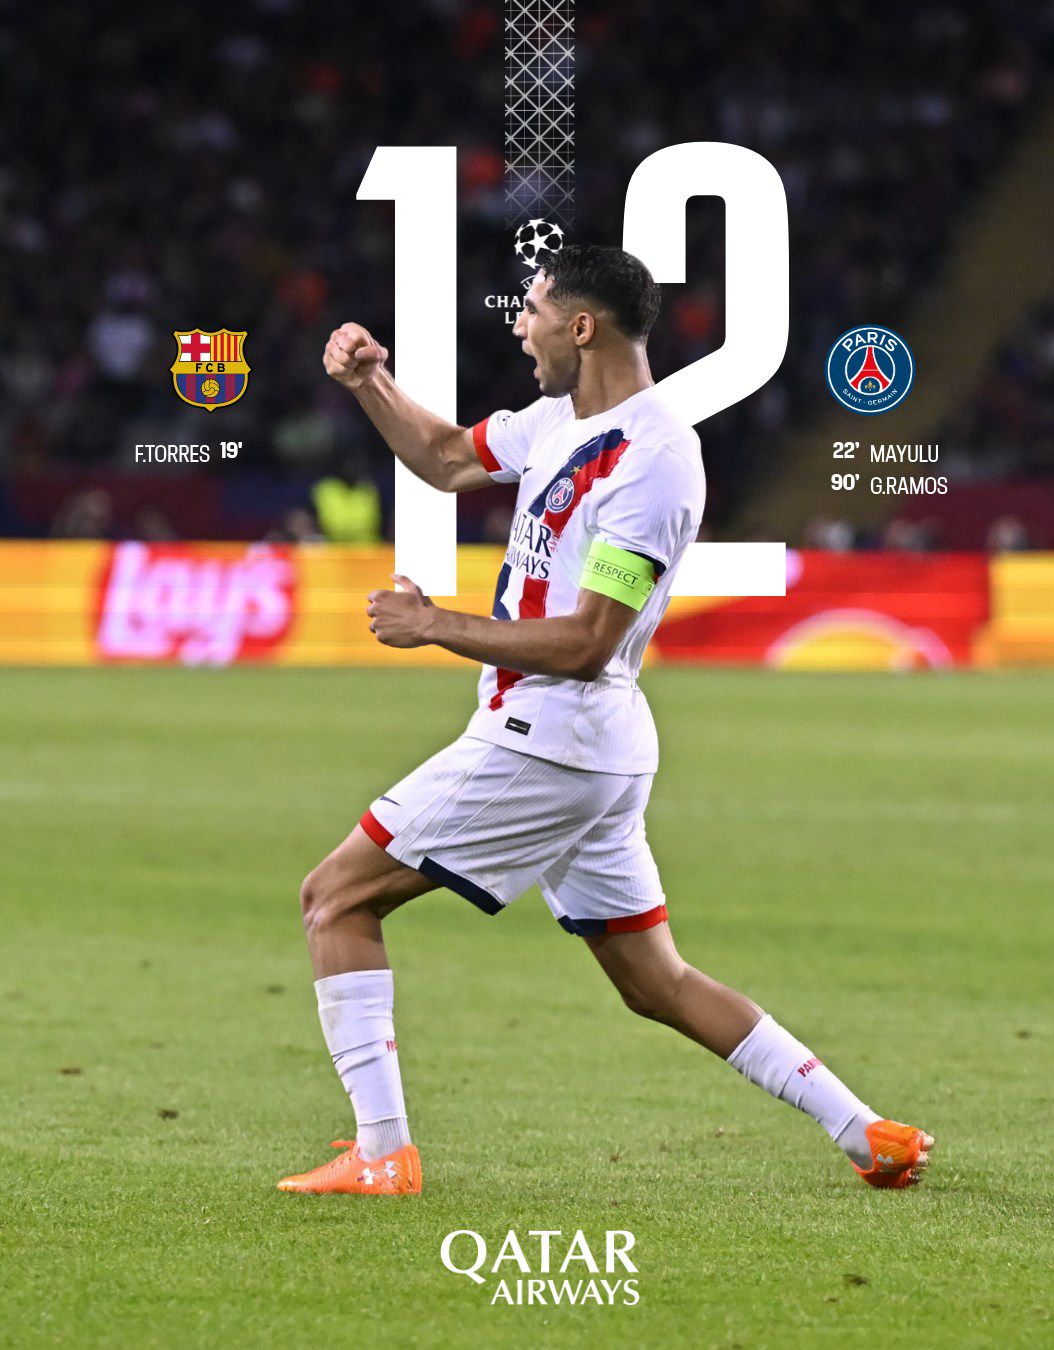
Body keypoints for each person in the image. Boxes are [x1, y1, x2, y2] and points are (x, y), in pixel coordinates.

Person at [278, 245, 932, 1196]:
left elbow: (589, 641)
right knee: (655, 982)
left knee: (335, 898)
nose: (519, 326)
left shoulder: (654, 461)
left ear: (580, 328)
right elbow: (447, 457)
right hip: (593, 751)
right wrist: (370, 381)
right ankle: (866, 1130)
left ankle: (383, 1152)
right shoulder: (559, 420)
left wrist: (434, 625)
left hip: (548, 740)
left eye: (533, 310)